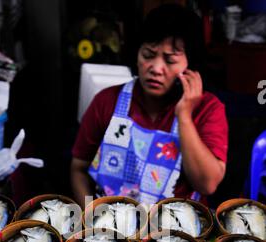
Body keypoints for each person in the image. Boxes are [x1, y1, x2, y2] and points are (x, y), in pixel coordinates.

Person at [70, 3, 228, 208]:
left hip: (177, 229)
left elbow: (207, 184)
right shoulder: (107, 101)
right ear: (136, 55)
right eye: (148, 55)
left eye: (170, 60)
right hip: (112, 222)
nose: (156, 68)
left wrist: (185, 116)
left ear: (191, 67)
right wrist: (93, 216)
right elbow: (78, 168)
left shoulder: (208, 109)